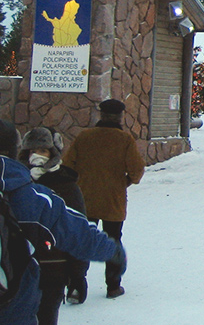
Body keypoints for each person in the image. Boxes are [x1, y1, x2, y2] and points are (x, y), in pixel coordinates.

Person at [1, 120, 123, 325]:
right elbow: (78, 233)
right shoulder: (33, 197)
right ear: (16, 152)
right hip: (15, 305)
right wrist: (113, 252)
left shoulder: (55, 186)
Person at [62, 98, 144, 300]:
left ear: (101, 115)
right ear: (120, 117)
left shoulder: (84, 137)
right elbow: (137, 171)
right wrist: (124, 182)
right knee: (113, 241)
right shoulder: (124, 140)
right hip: (113, 201)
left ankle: (75, 286)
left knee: (82, 240)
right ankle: (113, 286)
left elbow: (67, 166)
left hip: (84, 199)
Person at [16, 127, 88, 325]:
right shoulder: (16, 183)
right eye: (31, 151)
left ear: (52, 154)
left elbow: (78, 233)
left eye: (42, 150)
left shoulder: (66, 186)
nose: (36, 156)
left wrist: (78, 274)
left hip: (53, 270)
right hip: (18, 270)